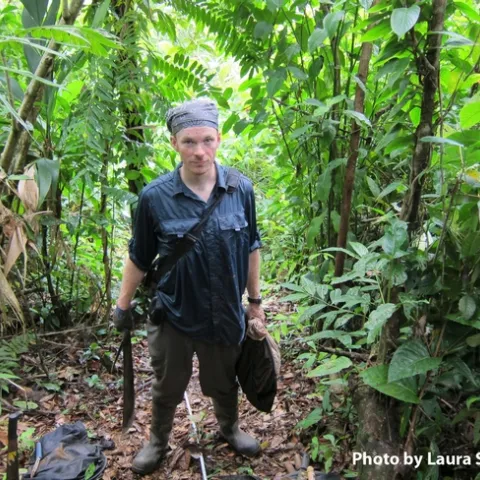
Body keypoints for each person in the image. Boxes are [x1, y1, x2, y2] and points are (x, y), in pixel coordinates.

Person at [113, 98, 265, 476]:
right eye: (189, 142)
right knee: (167, 384)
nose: (200, 152)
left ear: (219, 138)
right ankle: (158, 440)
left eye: (207, 140)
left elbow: (252, 246)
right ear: (173, 144)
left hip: (224, 311)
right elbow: (139, 256)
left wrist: (255, 302)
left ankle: (230, 427)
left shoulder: (240, 189)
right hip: (173, 314)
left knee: (224, 380)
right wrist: (123, 304)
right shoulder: (154, 197)